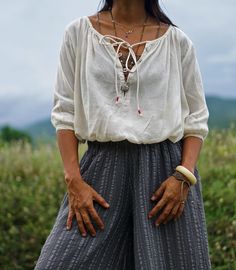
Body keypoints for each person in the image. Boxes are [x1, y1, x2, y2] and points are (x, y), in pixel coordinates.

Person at [34, 0, 212, 269]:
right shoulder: (78, 33)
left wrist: (183, 178)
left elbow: (196, 119)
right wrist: (73, 180)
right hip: (101, 171)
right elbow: (65, 113)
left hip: (164, 179)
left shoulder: (177, 42)